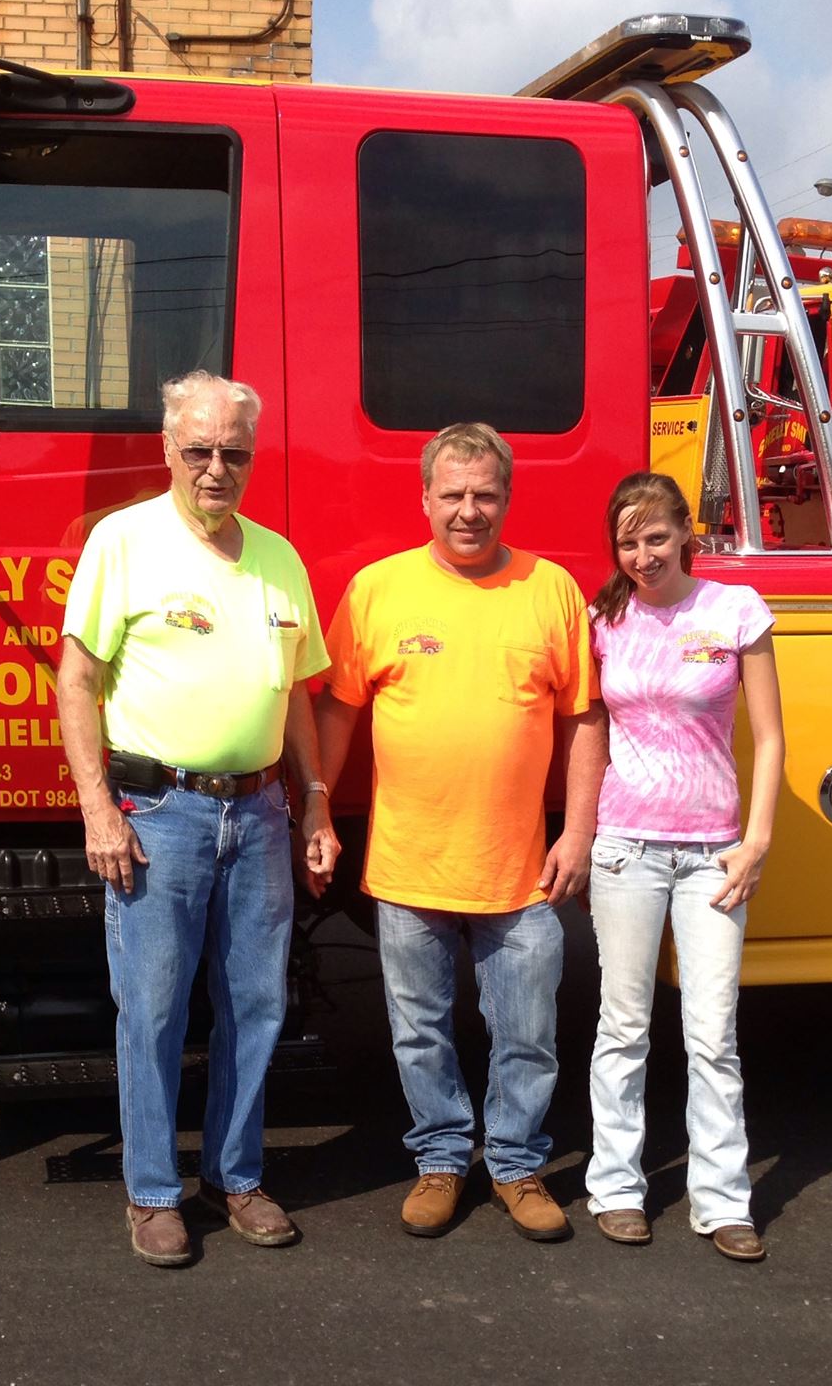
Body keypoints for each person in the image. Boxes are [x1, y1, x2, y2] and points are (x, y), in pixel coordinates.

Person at [57, 371, 339, 1267]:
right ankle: (151, 1193)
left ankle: (235, 1176)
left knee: (256, 1003)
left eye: (235, 453)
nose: (217, 468)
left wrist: (314, 801)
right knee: (152, 1010)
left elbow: (298, 690)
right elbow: (77, 680)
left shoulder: (280, 558)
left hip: (258, 811)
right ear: (167, 450)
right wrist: (98, 806)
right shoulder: (123, 542)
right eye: (200, 450)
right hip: (158, 811)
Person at [316, 422, 605, 1241]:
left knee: (529, 1035)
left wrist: (577, 829)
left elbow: (586, 717)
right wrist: (315, 805)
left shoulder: (549, 589)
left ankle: (515, 1166)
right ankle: (441, 1159)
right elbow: (338, 706)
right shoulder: (379, 589)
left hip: (518, 874)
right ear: (425, 499)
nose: (469, 511)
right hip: (409, 867)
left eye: (485, 494)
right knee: (419, 1033)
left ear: (507, 499)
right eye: (453, 495)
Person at [584, 470, 784, 1262]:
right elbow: (589, 729)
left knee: (712, 1033)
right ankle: (617, 1188)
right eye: (628, 542)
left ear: (685, 535)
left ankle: (724, 1200)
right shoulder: (605, 617)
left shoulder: (734, 610)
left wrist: (757, 840)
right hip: (626, 845)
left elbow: (769, 738)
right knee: (623, 1026)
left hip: (713, 855)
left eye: (656, 537)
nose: (643, 555)